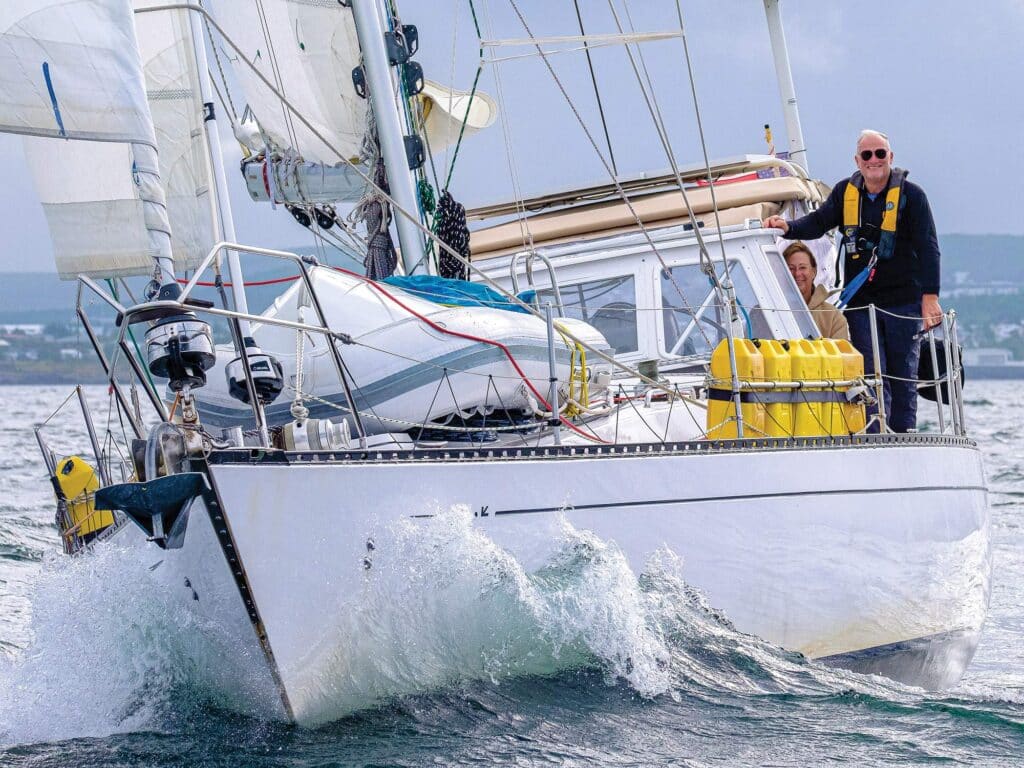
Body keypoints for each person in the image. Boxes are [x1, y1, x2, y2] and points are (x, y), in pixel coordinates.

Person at [763, 130, 941, 432]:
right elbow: (818, 223)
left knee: (902, 376)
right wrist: (788, 227)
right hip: (861, 302)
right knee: (870, 373)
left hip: (903, 303)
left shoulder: (913, 196)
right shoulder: (845, 192)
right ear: (857, 160)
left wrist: (930, 296)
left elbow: (928, 247)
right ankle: (874, 435)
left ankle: (904, 436)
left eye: (880, 153)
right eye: (867, 155)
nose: (874, 160)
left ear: (891, 157)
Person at [782, 241, 849, 340]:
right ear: (781, 272)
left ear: (814, 272)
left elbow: (843, 353)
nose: (797, 273)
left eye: (802, 267)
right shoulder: (762, 311)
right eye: (790, 268)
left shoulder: (833, 316)